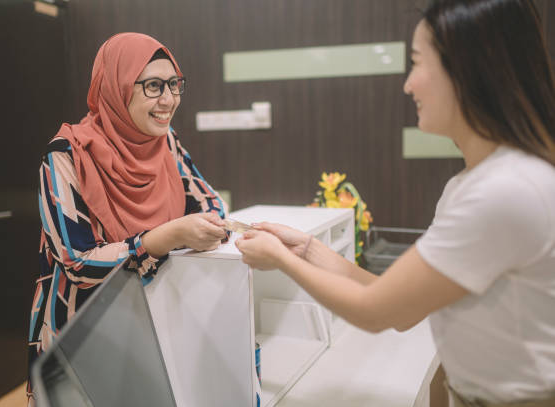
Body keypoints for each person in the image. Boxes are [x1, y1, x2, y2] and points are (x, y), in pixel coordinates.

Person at [236, 0, 555, 405]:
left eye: (418, 63)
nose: (408, 84)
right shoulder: (470, 185)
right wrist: (307, 249)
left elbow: (377, 311)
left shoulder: (505, 191)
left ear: (469, 71)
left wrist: (283, 261)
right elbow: (401, 305)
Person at [26, 33, 228, 404]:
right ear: (116, 86)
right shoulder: (66, 156)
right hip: (83, 332)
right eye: (153, 86)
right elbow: (78, 261)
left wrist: (206, 225)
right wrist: (162, 238)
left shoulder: (166, 142)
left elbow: (207, 201)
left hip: (155, 320)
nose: (168, 100)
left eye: (174, 84)